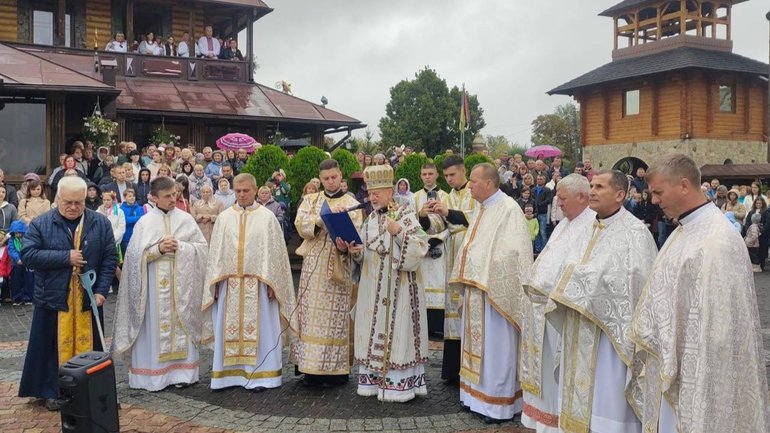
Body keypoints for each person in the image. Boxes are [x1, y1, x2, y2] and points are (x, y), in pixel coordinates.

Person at [629, 154, 770, 433]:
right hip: (676, 361)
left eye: (658, 192)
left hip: (701, 368)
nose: (655, 201)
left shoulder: (717, 239)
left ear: (683, 185)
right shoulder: (684, 229)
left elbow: (716, 330)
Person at [550, 169, 657, 433]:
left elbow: (635, 279)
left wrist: (583, 281)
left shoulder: (635, 232)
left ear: (619, 195)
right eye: (591, 186)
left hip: (611, 334)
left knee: (607, 394)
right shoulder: (585, 226)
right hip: (579, 324)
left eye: (599, 187)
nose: (592, 191)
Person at [18, 176, 117, 410]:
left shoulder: (100, 223)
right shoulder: (41, 223)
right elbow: (28, 255)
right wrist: (66, 257)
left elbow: (110, 258)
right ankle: (52, 391)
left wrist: (102, 290)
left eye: (79, 202)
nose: (73, 207)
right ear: (58, 199)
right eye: (68, 202)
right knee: (49, 348)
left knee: (90, 348)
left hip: (88, 299)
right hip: (52, 298)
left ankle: (89, 390)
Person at [448, 163, 532, 423]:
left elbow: (514, 253)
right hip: (476, 291)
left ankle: (498, 405)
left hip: (496, 295)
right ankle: (474, 398)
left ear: (489, 183)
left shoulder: (509, 209)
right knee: (475, 348)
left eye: (473, 181)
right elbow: (470, 246)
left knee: (497, 349)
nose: (470, 185)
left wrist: (483, 270)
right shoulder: (482, 209)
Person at [111, 176, 208, 391]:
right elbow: (133, 258)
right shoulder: (145, 223)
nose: (173, 199)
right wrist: (157, 250)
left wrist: (181, 247)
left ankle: (183, 374)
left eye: (175, 194)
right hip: (152, 287)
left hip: (181, 285)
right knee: (154, 327)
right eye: (167, 196)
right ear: (154, 198)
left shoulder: (186, 219)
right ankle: (154, 377)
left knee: (180, 323)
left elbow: (202, 249)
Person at [202, 173, 297, 390]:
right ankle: (228, 377)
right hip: (229, 285)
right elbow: (215, 254)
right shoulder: (224, 218)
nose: (242, 195)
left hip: (260, 287)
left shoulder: (267, 217)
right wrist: (214, 283)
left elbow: (276, 255)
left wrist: (276, 284)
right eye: (238, 191)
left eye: (246, 191)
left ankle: (263, 376)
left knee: (262, 330)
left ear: (255, 190)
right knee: (228, 330)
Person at [520, 174, 596, 433]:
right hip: (540, 307)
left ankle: (555, 421)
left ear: (582, 197)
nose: (559, 204)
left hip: (558, 308)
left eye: (563, 199)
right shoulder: (564, 223)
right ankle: (541, 419)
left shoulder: (591, 226)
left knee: (557, 368)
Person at [349, 164, 429, 402]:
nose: (372, 197)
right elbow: (366, 255)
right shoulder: (369, 219)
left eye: (377, 193)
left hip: (399, 289)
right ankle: (372, 383)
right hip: (372, 291)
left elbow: (421, 246)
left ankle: (399, 386)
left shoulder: (405, 214)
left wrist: (399, 232)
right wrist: (354, 252)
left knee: (398, 334)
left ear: (390, 192)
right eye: (369, 193)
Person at [292, 159, 363, 387]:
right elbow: (300, 223)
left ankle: (336, 371)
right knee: (310, 317)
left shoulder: (351, 203)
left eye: (334, 177)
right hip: (313, 265)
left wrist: (347, 245)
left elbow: (357, 233)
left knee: (337, 318)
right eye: (326, 178)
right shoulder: (311, 200)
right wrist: (321, 220)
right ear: (320, 179)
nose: (331, 182)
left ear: (340, 175)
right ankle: (310, 370)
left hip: (338, 267)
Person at [428, 155, 477, 384]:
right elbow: (437, 226)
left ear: (463, 171)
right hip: (452, 257)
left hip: (470, 253)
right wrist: (424, 216)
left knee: (467, 309)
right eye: (445, 175)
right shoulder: (447, 196)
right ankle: (452, 371)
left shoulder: (474, 193)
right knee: (452, 311)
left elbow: (474, 219)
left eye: (452, 175)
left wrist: (447, 213)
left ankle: (470, 369)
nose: (449, 179)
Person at [414, 163, 449, 339]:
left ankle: (438, 325)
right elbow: (410, 223)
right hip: (421, 248)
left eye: (430, 173)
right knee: (423, 284)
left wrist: (438, 239)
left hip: (440, 245)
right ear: (420, 176)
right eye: (424, 174)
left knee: (438, 282)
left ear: (436, 175)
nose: (427, 177)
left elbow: (451, 224)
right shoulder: (415, 197)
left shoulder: (446, 197)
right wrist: (420, 215)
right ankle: (423, 325)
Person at [8, 221, 34, 306]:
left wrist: (25, 258)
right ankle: (17, 298)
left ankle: (28, 297)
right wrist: (17, 259)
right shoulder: (12, 240)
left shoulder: (27, 239)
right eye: (15, 233)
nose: (17, 235)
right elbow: (11, 250)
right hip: (16, 264)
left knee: (29, 281)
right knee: (16, 281)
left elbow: (29, 249)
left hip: (27, 262)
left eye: (19, 233)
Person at [119, 188, 145, 255]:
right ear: (125, 197)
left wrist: (133, 219)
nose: (132, 198)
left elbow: (143, 220)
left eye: (133, 196)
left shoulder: (140, 208)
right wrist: (138, 217)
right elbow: (126, 220)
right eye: (129, 196)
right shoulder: (121, 209)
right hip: (126, 238)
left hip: (138, 237)